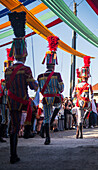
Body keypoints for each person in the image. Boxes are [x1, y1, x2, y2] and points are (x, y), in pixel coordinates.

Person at [5, 11, 38, 164]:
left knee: (13, 126)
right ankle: (29, 132)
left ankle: (13, 154)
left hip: (11, 102)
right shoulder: (26, 70)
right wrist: (36, 84)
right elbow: (32, 87)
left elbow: (7, 85)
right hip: (23, 102)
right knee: (30, 114)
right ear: (24, 55)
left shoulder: (8, 70)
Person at [38, 35, 64, 145]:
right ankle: (53, 119)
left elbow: (39, 89)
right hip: (56, 98)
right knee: (58, 106)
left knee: (46, 118)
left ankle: (47, 137)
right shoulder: (57, 75)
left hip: (45, 99)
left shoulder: (40, 76)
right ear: (53, 65)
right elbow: (61, 89)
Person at [72, 56, 93, 139]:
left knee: (78, 118)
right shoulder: (88, 85)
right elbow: (91, 96)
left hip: (78, 103)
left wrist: (75, 102)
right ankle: (84, 120)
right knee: (88, 109)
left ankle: (80, 133)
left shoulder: (77, 85)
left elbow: (73, 95)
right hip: (86, 103)